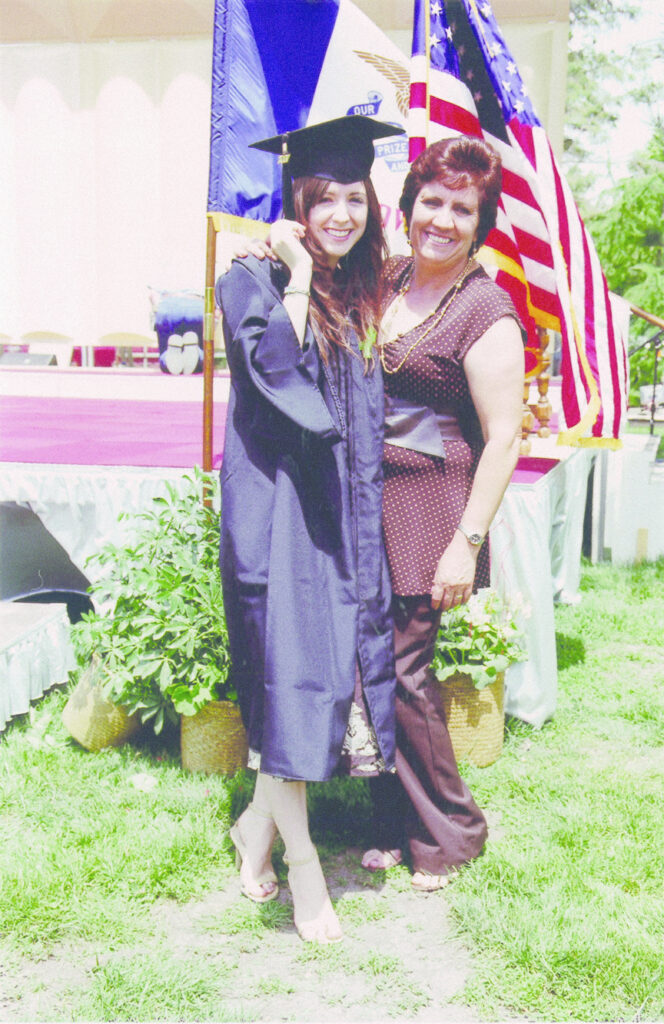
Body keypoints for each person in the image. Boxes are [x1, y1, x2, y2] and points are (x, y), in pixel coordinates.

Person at [216, 116, 404, 942]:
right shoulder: (252, 275)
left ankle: (255, 829)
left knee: (324, 677)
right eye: (324, 198)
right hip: (280, 508)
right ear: (297, 198)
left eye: (354, 198)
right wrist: (294, 273)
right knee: (292, 680)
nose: (341, 213)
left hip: (339, 510)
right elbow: (274, 375)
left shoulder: (362, 287)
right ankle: (301, 868)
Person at [362, 135, 524, 891]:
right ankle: (395, 824)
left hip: (432, 508)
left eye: (463, 208)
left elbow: (503, 439)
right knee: (370, 670)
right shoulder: (387, 277)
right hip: (366, 501)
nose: (444, 219)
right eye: (433, 200)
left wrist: (466, 542)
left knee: (404, 673)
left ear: (480, 220)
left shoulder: (485, 309)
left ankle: (454, 831)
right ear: (408, 205)